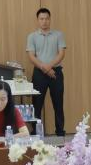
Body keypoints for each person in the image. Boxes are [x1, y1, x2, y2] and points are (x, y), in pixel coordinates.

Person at [26, 8, 66, 136]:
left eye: (47, 18)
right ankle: (35, 132)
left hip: (56, 72)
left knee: (58, 103)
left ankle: (60, 131)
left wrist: (49, 67)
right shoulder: (32, 36)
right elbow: (31, 56)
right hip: (39, 73)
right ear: (38, 20)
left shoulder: (58, 35)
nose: (44, 21)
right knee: (37, 103)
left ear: (50, 19)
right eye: (41, 19)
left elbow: (61, 54)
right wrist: (46, 68)